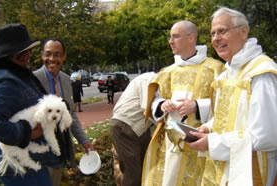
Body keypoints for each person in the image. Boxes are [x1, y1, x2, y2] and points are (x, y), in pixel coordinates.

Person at [187, 7, 277, 186]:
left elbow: (267, 135)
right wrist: (208, 128)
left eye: (222, 31)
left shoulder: (260, 72)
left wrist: (213, 143)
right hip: (224, 166)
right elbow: (227, 116)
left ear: (244, 31)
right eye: (212, 33)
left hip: (252, 169)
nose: (215, 38)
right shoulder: (227, 73)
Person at [141, 20, 224, 186]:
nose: (171, 41)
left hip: (199, 142)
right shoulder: (168, 72)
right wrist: (162, 104)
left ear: (191, 38)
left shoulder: (214, 68)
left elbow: (225, 104)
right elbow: (154, 101)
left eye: (176, 36)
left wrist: (197, 106)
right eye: (170, 37)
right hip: (170, 144)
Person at [0, 23, 53, 185]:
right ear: (8, 55)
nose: (28, 55)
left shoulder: (19, 75)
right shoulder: (5, 81)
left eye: (29, 50)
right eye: (22, 51)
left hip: (30, 162)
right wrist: (27, 132)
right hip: (19, 169)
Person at [34, 38, 93, 186]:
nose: (52, 59)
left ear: (64, 56)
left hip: (61, 142)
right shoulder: (33, 79)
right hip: (40, 144)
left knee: (55, 180)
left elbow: (70, 113)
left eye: (57, 54)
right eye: (48, 54)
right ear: (42, 55)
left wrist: (83, 140)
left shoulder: (66, 80)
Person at [110, 72, 157, 186]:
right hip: (125, 126)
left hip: (138, 128)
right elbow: (147, 108)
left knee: (146, 169)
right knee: (133, 175)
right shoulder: (150, 79)